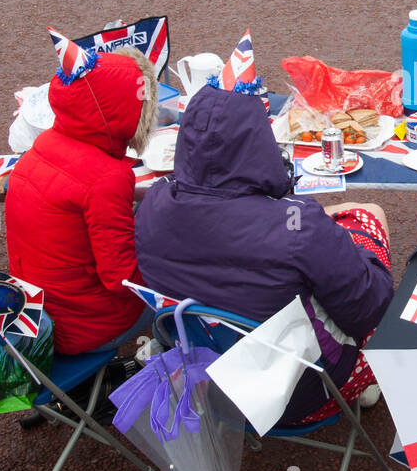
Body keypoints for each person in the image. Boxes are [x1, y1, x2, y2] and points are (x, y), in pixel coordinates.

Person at [134, 84, 393, 428]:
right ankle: (364, 380)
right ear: (258, 143)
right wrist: (356, 251)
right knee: (367, 218)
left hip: (210, 384)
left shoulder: (151, 206)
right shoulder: (300, 227)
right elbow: (370, 308)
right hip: (302, 393)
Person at [6, 31, 157, 357]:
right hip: (83, 327)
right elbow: (122, 279)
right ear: (120, 109)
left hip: (35, 313)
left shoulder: (42, 145)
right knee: (182, 282)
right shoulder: (107, 178)